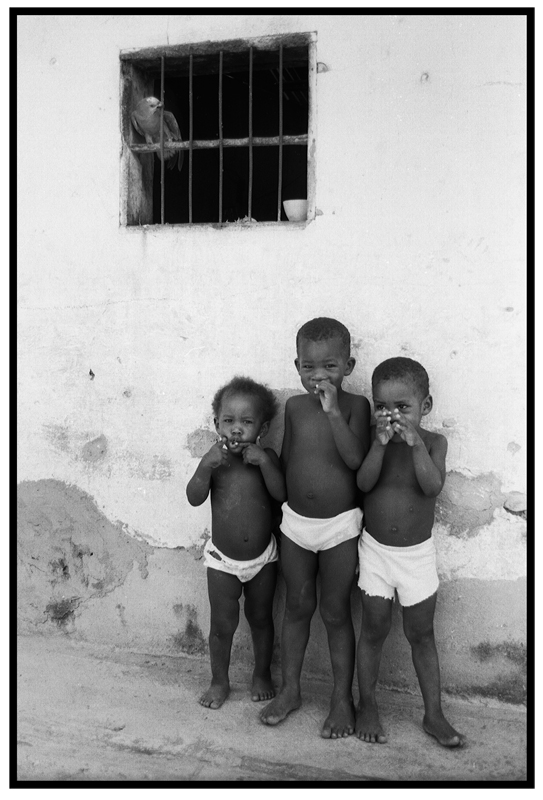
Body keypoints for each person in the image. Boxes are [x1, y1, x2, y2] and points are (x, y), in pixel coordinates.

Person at [261, 318, 370, 738]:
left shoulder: (357, 406)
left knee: (336, 612)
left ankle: (342, 699)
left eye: (329, 367)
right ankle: (290, 689)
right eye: (309, 367)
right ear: (297, 365)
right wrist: (280, 513)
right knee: (297, 606)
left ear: (349, 365)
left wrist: (333, 410)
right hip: (296, 526)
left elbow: (356, 460)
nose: (318, 376)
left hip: (341, 527)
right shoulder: (293, 407)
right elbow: (289, 460)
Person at [355, 357, 465, 747]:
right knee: (374, 629)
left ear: (426, 407)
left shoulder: (434, 442)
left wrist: (415, 442)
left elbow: (431, 486)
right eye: (383, 407)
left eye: (403, 408)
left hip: (416, 555)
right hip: (376, 552)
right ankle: (366, 704)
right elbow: (364, 482)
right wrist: (381, 446)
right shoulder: (374, 438)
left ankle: (433, 714)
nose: (392, 415)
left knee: (421, 633)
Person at [186, 376, 286, 709]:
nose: (237, 429)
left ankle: (261, 674)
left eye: (247, 422)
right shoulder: (216, 460)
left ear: (264, 426)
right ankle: (219, 681)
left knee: (261, 619)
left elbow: (281, 494)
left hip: (263, 559)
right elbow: (194, 498)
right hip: (222, 561)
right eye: (229, 421)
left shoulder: (266, 456)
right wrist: (205, 466)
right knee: (222, 624)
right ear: (216, 424)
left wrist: (265, 462)